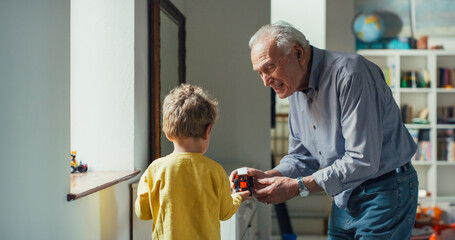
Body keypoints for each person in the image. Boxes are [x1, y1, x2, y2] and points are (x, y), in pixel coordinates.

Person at [230, 21, 419, 239]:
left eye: (269, 68)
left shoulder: (351, 73)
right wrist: (268, 177)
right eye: (260, 73)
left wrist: (297, 186)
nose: (265, 81)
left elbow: (362, 160)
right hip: (344, 193)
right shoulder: (294, 88)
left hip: (385, 189)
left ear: (298, 53)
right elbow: (301, 158)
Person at [136, 84, 251, 239]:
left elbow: (143, 213)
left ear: (168, 133)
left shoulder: (155, 170)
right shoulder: (215, 171)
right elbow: (225, 213)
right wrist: (238, 196)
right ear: (206, 131)